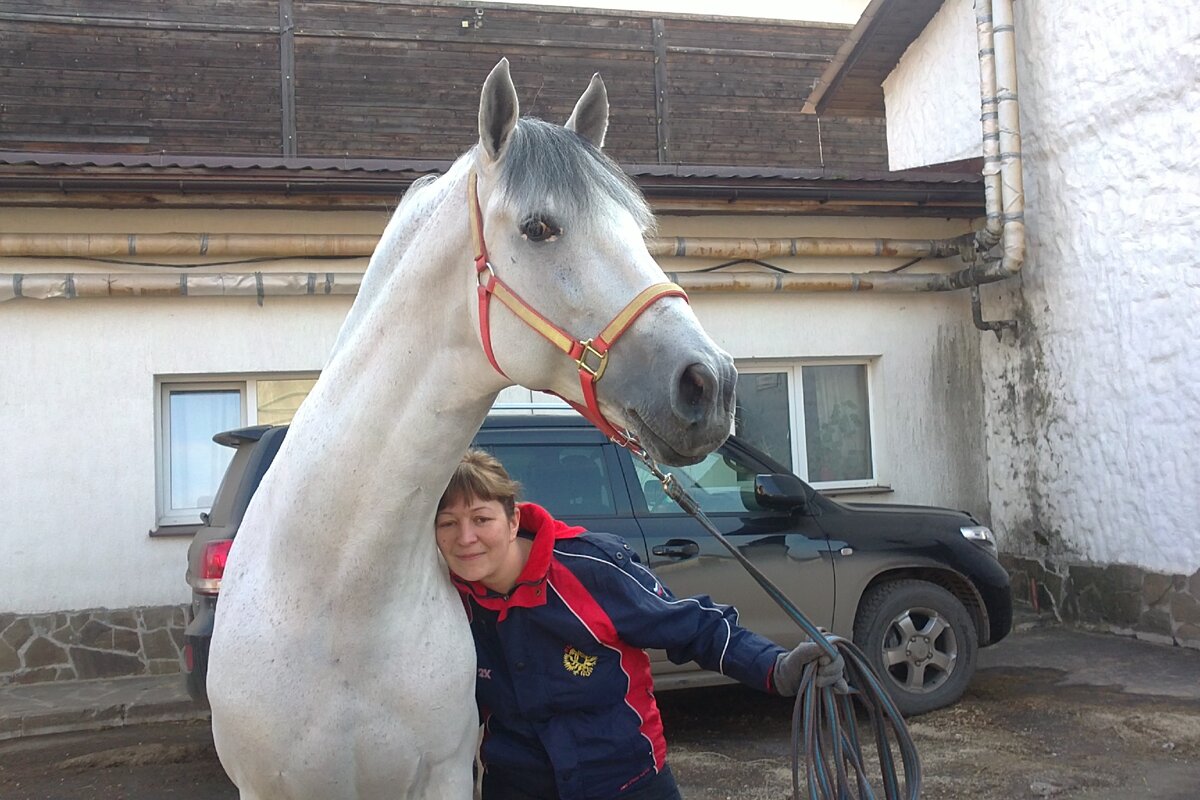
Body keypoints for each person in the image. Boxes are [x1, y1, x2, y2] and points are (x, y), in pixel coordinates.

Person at [435, 449, 845, 800]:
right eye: (448, 523)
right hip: (518, 786)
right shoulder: (440, 600)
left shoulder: (590, 570)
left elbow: (694, 627)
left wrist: (778, 667)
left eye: (481, 519)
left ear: (512, 520)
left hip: (624, 781)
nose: (465, 537)